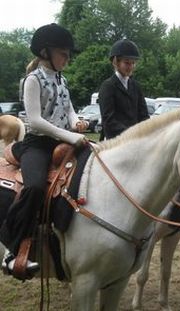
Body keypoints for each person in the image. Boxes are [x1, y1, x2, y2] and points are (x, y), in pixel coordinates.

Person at [0, 23, 88, 275]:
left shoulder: (62, 78)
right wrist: (70, 135)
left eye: (69, 55)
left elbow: (68, 108)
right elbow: (36, 120)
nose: (67, 59)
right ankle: (11, 248)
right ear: (45, 52)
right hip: (37, 145)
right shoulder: (32, 80)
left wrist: (76, 121)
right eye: (64, 53)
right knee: (36, 187)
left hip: (63, 141)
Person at [98, 39, 149, 140]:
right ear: (115, 62)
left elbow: (144, 115)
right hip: (115, 141)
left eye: (133, 63)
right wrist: (131, 134)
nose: (131, 67)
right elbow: (108, 120)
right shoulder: (108, 86)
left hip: (135, 141)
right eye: (127, 63)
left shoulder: (136, 86)